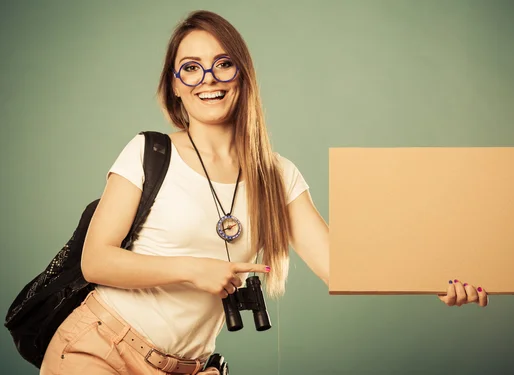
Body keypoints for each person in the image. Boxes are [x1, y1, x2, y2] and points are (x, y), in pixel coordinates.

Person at [39, 9, 488, 375]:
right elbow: (96, 260)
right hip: (100, 349)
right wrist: (194, 271)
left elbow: (340, 268)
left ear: (242, 73)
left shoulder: (278, 176)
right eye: (190, 69)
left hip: (189, 368)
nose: (207, 80)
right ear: (175, 85)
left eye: (222, 64)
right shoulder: (147, 152)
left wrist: (440, 281)